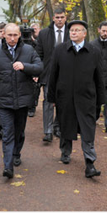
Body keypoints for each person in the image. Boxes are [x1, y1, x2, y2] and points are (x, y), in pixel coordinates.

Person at [47, 20, 106, 178]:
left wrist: (101, 100)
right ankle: (65, 152)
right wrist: (51, 97)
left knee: (88, 130)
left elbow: (99, 77)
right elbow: (53, 75)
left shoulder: (93, 51)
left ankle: (90, 163)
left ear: (84, 33)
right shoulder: (60, 50)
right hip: (65, 98)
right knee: (66, 126)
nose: (73, 33)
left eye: (77, 30)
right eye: (72, 30)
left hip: (87, 99)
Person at [0, 23, 43, 179]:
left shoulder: (28, 50)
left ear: (19, 35)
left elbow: (39, 67)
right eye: (9, 35)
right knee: (7, 132)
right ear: (3, 35)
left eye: (15, 35)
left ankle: (17, 152)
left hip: (23, 99)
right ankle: (8, 165)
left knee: (19, 131)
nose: (12, 38)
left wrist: (25, 66)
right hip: (4, 101)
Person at [35, 8, 69, 143]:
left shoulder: (71, 32)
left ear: (65, 18)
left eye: (62, 17)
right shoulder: (44, 34)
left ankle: (58, 126)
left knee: (63, 102)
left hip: (66, 73)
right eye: (57, 17)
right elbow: (38, 55)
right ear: (53, 18)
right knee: (48, 102)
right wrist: (38, 72)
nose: (59, 20)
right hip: (49, 74)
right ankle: (47, 131)